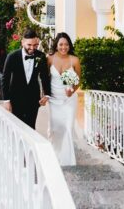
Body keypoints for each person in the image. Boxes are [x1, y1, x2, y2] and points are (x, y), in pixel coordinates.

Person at [2, 29, 51, 129]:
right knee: (16, 128)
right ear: (22, 42)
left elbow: (44, 76)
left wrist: (47, 94)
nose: (32, 48)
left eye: (35, 45)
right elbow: (5, 79)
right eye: (29, 45)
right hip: (15, 98)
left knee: (31, 127)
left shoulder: (40, 56)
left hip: (33, 99)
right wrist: (6, 100)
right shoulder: (12, 57)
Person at [47, 32, 81, 166]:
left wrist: (72, 90)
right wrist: (44, 94)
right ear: (56, 45)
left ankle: (67, 161)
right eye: (61, 44)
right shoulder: (49, 59)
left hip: (69, 101)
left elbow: (78, 80)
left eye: (66, 44)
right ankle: (55, 156)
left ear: (69, 45)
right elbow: (45, 79)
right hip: (54, 100)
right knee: (55, 129)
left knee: (67, 128)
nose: (64, 47)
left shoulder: (75, 60)